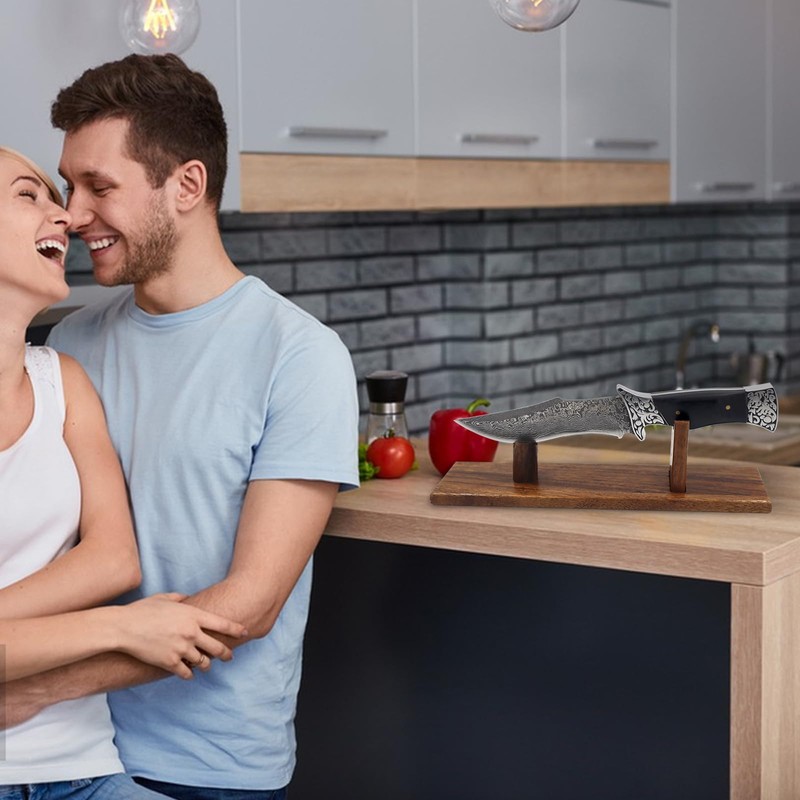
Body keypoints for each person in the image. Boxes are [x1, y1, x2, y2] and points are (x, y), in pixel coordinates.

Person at [5, 54, 359, 799]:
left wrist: (43, 687)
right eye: (67, 185)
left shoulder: (297, 356)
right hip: (68, 750)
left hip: (206, 761)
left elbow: (249, 605)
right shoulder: (67, 346)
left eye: (99, 186)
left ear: (187, 186)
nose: (72, 213)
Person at [0, 145, 248, 798]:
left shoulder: (62, 379)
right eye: (29, 195)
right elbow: (119, 602)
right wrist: (122, 626)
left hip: (80, 767)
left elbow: (114, 563)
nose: (64, 214)